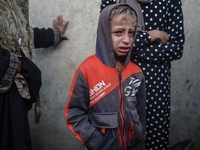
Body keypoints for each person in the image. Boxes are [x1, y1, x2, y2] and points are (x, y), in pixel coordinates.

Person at [101, 0, 185, 149]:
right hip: (120, 82)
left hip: (156, 88)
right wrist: (151, 36)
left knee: (155, 140)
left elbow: (176, 48)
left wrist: (132, 51)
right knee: (120, 138)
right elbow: (106, 38)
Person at [66, 4, 146, 150]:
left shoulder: (136, 72)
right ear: (104, 33)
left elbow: (141, 115)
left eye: (131, 32)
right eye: (118, 32)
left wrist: (140, 140)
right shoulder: (87, 69)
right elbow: (74, 113)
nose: (127, 40)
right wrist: (97, 142)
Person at [0, 0, 69, 149]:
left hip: (14, 92)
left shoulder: (10, 4)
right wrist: (10, 62)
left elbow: (21, 37)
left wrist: (53, 34)